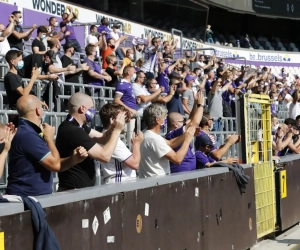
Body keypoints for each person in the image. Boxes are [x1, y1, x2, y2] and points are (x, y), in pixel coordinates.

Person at [6, 95, 88, 196]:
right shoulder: (28, 135)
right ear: (38, 111)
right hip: (26, 199)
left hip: (33, 197)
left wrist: (74, 159)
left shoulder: (29, 131)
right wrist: (49, 138)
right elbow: (55, 164)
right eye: (42, 107)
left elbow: (52, 163)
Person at [55, 92, 126, 190]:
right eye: (92, 108)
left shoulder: (78, 126)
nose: (93, 111)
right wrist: (117, 130)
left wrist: (113, 127)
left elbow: (103, 137)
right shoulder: (73, 130)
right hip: (74, 190)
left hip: (80, 188)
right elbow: (104, 156)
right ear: (83, 108)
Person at [139, 103, 196, 178]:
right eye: (164, 117)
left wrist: (187, 135)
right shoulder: (154, 139)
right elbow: (177, 159)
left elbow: (170, 143)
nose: (165, 119)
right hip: (157, 182)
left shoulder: (145, 133)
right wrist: (187, 140)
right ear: (157, 120)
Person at [99, 103, 143, 184]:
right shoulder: (112, 141)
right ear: (112, 120)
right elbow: (135, 164)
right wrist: (137, 144)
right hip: (119, 184)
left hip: (118, 183)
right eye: (122, 117)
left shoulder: (105, 137)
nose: (125, 119)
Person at [165, 91, 205, 173]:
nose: (184, 123)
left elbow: (190, 119)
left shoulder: (178, 131)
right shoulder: (172, 134)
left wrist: (195, 103)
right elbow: (193, 123)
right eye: (182, 121)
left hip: (188, 171)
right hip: (181, 172)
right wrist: (201, 105)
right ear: (175, 124)